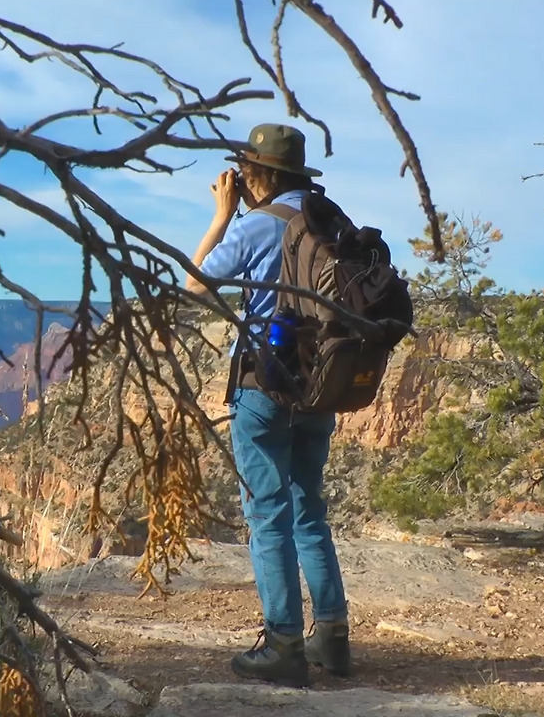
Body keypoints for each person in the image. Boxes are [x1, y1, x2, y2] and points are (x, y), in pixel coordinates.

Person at [183, 123, 352, 687]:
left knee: (268, 513)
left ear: (256, 174)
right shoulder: (332, 221)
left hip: (265, 383)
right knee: (309, 508)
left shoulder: (258, 223)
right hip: (322, 383)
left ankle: (283, 642)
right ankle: (331, 638)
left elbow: (195, 285)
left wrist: (221, 217)